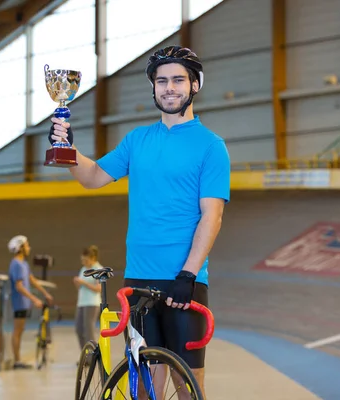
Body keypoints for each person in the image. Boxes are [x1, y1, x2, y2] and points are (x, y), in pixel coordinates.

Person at [50, 45, 230, 397]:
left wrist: (189, 274)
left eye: (178, 80)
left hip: (184, 283)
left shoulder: (211, 146)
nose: (169, 88)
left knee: (188, 386)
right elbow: (93, 177)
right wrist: (69, 152)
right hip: (138, 281)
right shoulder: (137, 140)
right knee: (145, 390)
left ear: (195, 85)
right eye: (161, 81)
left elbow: (213, 215)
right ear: (153, 88)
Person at [7, 235, 54, 369]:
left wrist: (45, 293)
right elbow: (19, 286)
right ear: (20, 248)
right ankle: (17, 361)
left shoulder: (24, 264)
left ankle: (18, 359)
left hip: (24, 303)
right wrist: (34, 299)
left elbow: (32, 280)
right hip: (19, 303)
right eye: (27, 245)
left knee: (20, 330)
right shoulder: (16, 264)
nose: (29, 248)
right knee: (17, 331)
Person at [73, 245, 102, 351]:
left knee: (88, 331)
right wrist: (77, 283)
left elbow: (99, 288)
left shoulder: (98, 269)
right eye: (82, 260)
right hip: (82, 302)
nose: (83, 262)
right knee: (79, 329)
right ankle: (85, 355)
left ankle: (92, 355)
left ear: (92, 258)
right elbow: (80, 288)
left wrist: (83, 282)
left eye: (86, 260)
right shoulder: (83, 269)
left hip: (92, 303)